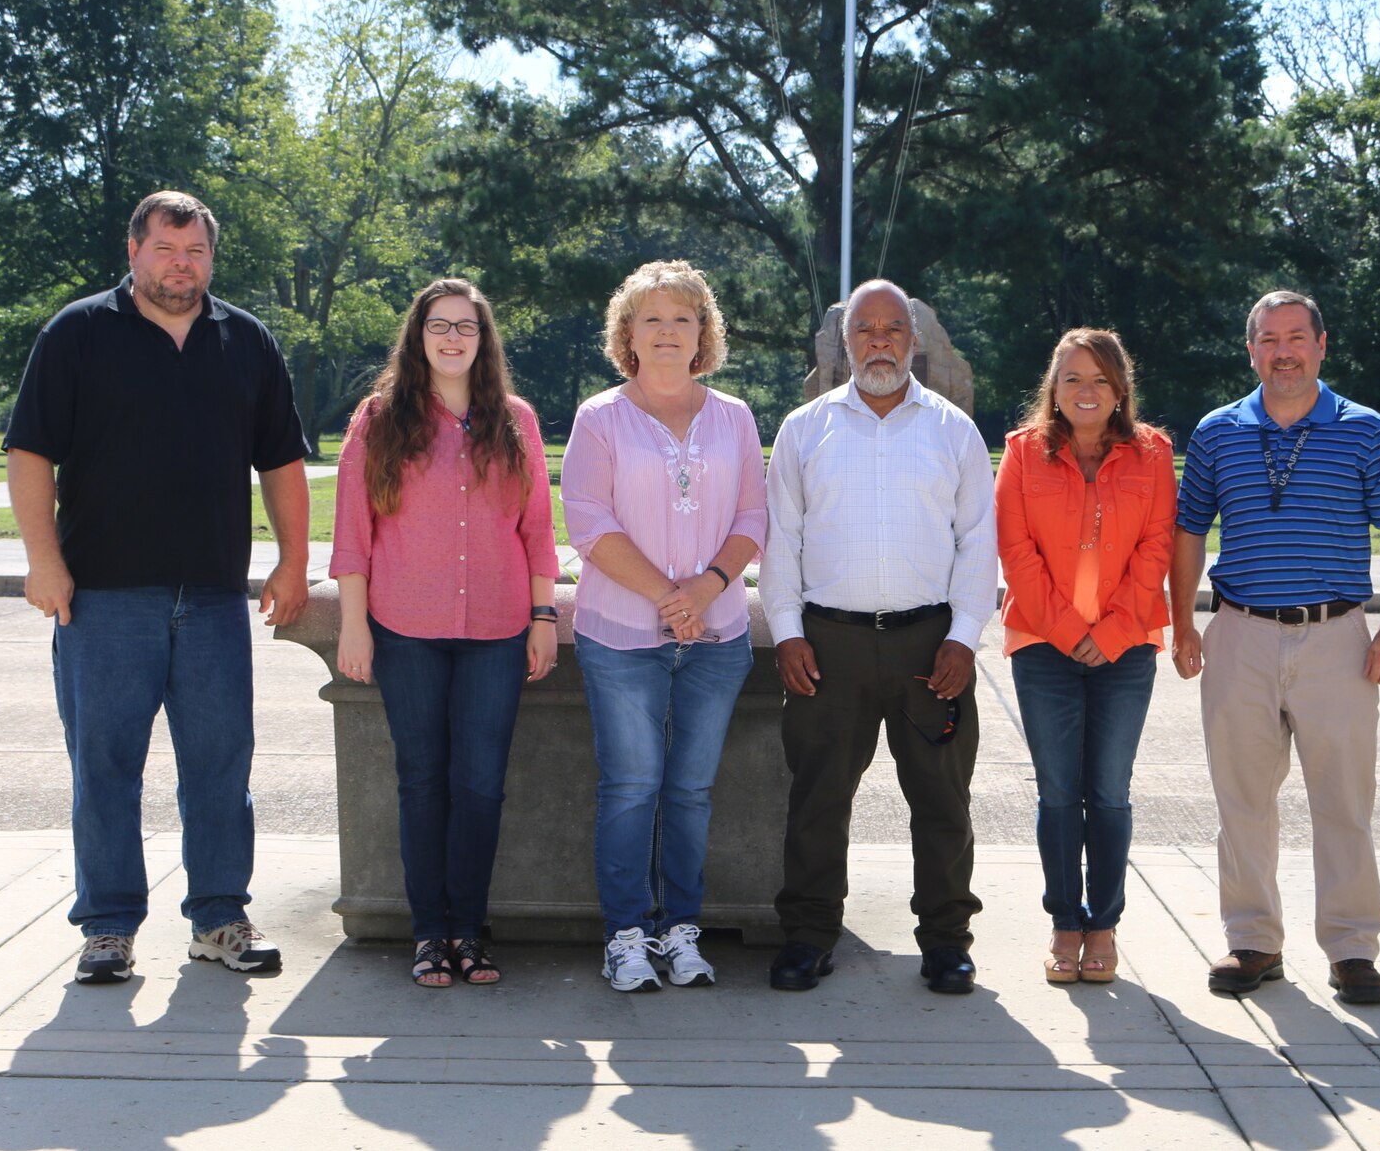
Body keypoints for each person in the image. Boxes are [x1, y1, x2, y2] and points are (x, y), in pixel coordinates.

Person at [4, 190, 309, 986]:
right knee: (104, 766)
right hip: (102, 596)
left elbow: (281, 462)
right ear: (134, 250)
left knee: (219, 763)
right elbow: (30, 451)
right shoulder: (77, 332)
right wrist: (45, 559)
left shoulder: (244, 340)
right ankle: (107, 927)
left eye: (197, 251)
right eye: (168, 249)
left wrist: (292, 559)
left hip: (212, 596)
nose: (183, 264)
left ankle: (219, 917)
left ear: (212, 256)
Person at [1169, 291, 1380, 1006]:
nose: (1283, 350)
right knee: (1242, 798)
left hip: (1337, 635)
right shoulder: (1218, 432)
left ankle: (1351, 948)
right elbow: (1189, 531)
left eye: (1296, 337)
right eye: (1268, 339)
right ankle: (1252, 939)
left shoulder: (1366, 430)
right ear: (1251, 350)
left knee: (1343, 799)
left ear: (1321, 344)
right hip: (1240, 631)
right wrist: (1183, 623)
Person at [762, 279, 998, 996]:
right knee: (818, 800)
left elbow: (976, 545)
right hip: (827, 645)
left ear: (914, 342)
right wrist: (787, 633)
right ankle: (807, 936)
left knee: (941, 800)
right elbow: (782, 543)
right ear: (845, 342)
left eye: (894, 328)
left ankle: (947, 941)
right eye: (865, 329)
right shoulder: (805, 430)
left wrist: (962, 637)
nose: (880, 341)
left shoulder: (954, 431)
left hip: (930, 647)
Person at [330, 278, 559, 988]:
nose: (453, 337)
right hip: (405, 630)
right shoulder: (378, 418)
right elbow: (353, 534)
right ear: (418, 334)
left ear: (485, 338)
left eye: (467, 325)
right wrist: (355, 626)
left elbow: (537, 531)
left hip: (496, 629)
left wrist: (544, 616)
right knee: (422, 782)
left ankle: (470, 929)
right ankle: (430, 932)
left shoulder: (514, 418)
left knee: (482, 785)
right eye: (440, 324)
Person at [560, 260, 766, 992]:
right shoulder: (599, 417)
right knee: (631, 785)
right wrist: (667, 598)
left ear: (703, 332)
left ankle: (680, 929)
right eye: (653, 318)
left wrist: (706, 589)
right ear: (629, 334)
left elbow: (753, 516)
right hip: (621, 636)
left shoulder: (736, 416)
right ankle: (625, 935)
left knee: (690, 790)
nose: (669, 331)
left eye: (684, 318)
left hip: (717, 638)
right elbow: (588, 522)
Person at [996, 329, 1178, 985]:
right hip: (1044, 646)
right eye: (1072, 378)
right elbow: (1016, 553)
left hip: (1126, 649)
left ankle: (1102, 925)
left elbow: (1157, 548)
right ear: (1054, 387)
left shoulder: (1152, 453)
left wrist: (1114, 629)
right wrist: (1070, 627)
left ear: (1120, 388)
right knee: (1056, 793)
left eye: (1099, 379)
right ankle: (1063, 925)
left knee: (1107, 792)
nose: (1086, 391)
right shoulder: (1022, 453)